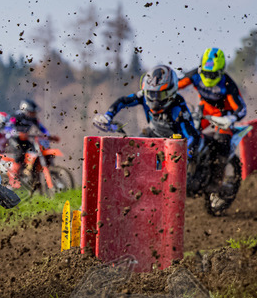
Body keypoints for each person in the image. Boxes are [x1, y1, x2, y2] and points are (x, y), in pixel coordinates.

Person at [178, 48, 247, 204]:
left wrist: (231, 118)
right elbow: (174, 85)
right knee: (186, 133)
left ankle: (216, 183)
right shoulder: (195, 75)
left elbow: (241, 108)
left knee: (222, 143)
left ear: (221, 72)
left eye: (213, 75)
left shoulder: (228, 84)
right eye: (206, 73)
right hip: (204, 111)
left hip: (223, 115)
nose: (208, 77)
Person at [93, 65, 200, 150]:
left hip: (175, 142)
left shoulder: (178, 104)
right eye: (151, 94)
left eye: (160, 95)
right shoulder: (143, 96)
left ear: (171, 92)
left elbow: (192, 136)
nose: (155, 100)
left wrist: (184, 153)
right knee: (131, 149)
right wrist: (108, 116)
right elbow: (123, 101)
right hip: (153, 134)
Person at [5, 99, 55, 187]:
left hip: (25, 139)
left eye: (34, 112)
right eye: (32, 112)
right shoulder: (16, 116)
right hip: (14, 139)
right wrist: (17, 133)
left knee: (35, 151)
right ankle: (14, 178)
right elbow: (8, 128)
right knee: (19, 155)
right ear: (25, 110)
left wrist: (48, 136)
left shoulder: (33, 119)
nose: (34, 114)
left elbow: (42, 128)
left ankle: (31, 172)